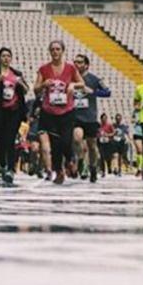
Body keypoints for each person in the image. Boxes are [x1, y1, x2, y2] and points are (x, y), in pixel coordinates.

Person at [33, 40, 84, 185]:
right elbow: (35, 89)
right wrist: (43, 85)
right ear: (50, 52)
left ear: (63, 51)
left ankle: (70, 160)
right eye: (53, 49)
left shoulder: (70, 68)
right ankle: (59, 171)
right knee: (55, 144)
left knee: (66, 141)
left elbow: (82, 84)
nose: (55, 52)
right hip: (49, 111)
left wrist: (73, 85)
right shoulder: (44, 69)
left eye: (58, 49)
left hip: (67, 111)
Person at [0, 47, 29, 185]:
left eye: (8, 56)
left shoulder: (16, 74)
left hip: (13, 111)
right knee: (0, 142)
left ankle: (10, 169)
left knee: (10, 141)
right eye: (3, 56)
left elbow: (26, 90)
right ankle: (2, 165)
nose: (6, 58)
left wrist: (19, 82)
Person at [71, 54, 111, 183]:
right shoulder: (71, 79)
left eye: (80, 62)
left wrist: (93, 92)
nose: (77, 64)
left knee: (92, 146)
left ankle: (93, 168)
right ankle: (82, 162)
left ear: (86, 65)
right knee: (77, 139)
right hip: (76, 116)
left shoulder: (94, 79)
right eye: (75, 62)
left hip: (90, 117)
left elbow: (107, 92)